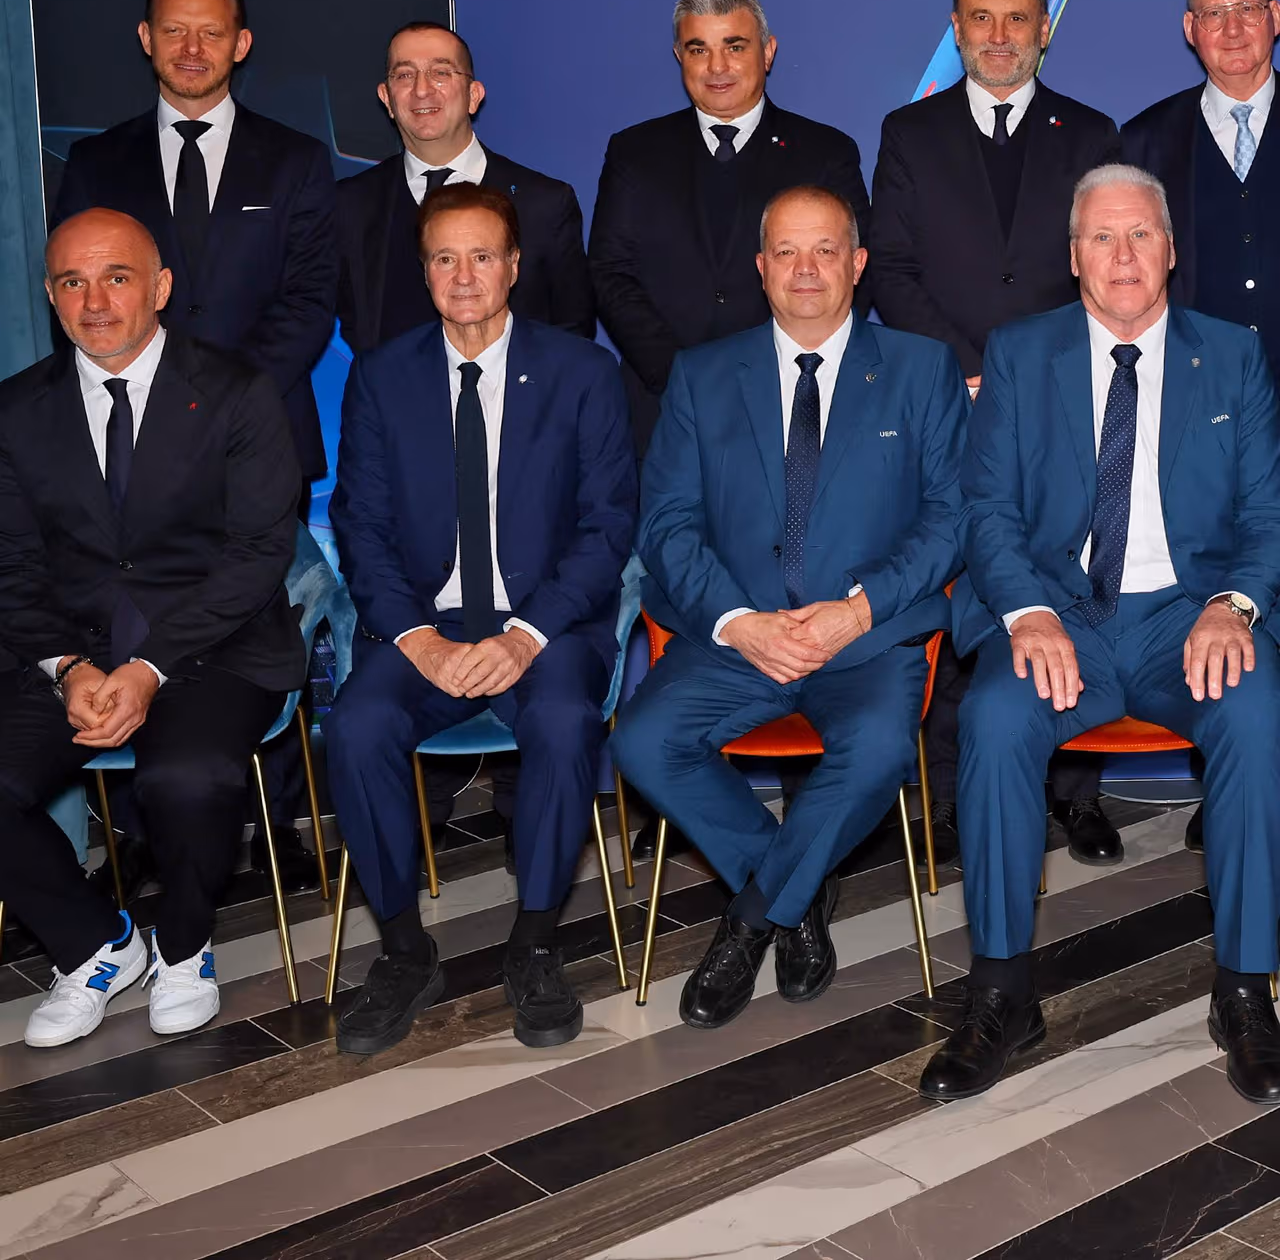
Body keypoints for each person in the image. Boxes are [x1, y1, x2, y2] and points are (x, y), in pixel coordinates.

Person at [920, 164, 1280, 1105]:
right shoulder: (1018, 353)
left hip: (1183, 616)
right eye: (1102, 239)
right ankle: (1001, 991)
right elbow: (987, 509)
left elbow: (1269, 511)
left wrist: (1235, 604)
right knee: (995, 721)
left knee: (1257, 710)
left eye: (1141, 236)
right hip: (1059, 615)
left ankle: (1245, 988)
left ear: (1170, 248)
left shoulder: (1231, 354)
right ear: (1073, 256)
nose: (1123, 256)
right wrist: (1028, 610)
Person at [612, 186, 967, 1030]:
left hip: (867, 638)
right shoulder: (703, 374)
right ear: (762, 266)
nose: (806, 270)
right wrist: (739, 622)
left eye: (826, 250)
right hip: (737, 638)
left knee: (881, 743)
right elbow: (667, 522)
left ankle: (751, 917)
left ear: (858, 263)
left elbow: (953, 516)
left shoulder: (921, 367)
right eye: (787, 252)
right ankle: (797, 894)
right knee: (643, 740)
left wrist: (859, 608)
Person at [326, 184, 636, 1056]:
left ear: (514, 266)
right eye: (442, 258)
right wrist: (416, 639)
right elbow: (363, 525)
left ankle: (534, 945)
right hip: (422, 626)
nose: (463, 276)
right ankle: (402, 950)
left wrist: (524, 635)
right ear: (423, 271)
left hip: (542, 625)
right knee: (356, 728)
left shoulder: (582, 372)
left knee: (567, 719)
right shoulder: (384, 376)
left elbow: (609, 524)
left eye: (481, 256)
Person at [51, 0, 335, 893]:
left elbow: (308, 303)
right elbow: (89, 308)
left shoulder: (293, 159)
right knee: (129, 608)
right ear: (146, 39)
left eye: (211, 31)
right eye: (174, 30)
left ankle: (282, 815)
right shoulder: (98, 163)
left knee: (266, 613)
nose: (192, 47)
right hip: (124, 444)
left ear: (241, 44)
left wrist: (221, 412)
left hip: (261, 435)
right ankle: (137, 826)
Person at [0, 209, 303, 1046]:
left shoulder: (237, 390)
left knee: (188, 778)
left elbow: (257, 553)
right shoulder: (16, 411)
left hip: (214, 642)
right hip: (73, 649)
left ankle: (184, 946)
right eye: (72, 281)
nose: (95, 300)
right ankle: (95, 945)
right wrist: (68, 666)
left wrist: (149, 665)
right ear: (54, 298)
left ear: (161, 287)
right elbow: (12, 567)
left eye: (117, 276)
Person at [871, 0, 1121, 870]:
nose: (1002, 36)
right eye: (983, 18)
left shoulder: (1093, 131)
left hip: (1063, 403)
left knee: (1068, 580)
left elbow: (1109, 271)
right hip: (945, 401)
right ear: (957, 27)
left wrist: (1027, 373)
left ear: (1045, 30)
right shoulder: (909, 133)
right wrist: (971, 370)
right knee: (952, 589)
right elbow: (888, 268)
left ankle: (1075, 794)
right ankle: (943, 798)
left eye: (1019, 19)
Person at [1122, 0, 1280, 853]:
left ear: (1273, 17)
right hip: (1201, 431)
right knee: (1229, 596)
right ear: (1189, 31)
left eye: (1246, 8)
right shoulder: (1145, 142)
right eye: (1212, 13)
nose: (1230, 27)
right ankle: (1234, 794)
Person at [589, 0, 871, 455]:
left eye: (734, 47)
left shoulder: (825, 152)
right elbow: (610, 273)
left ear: (768, 52)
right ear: (680, 56)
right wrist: (682, 378)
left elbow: (854, 271)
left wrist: (786, 371)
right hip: (664, 404)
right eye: (699, 49)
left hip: (793, 400)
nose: (716, 67)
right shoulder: (634, 152)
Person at [336, 21, 593, 353]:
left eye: (441, 73)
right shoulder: (350, 204)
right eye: (404, 75)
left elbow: (572, 328)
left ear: (474, 96)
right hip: (392, 401)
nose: (422, 89)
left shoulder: (544, 203)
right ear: (386, 98)